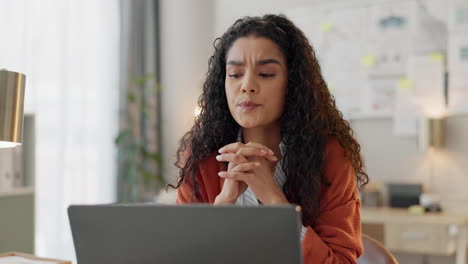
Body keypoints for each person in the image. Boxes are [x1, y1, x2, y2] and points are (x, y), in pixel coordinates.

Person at [170, 14, 369, 264]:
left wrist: (276, 202)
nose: (247, 86)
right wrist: (222, 207)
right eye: (234, 74)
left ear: (292, 83)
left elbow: (341, 261)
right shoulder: (201, 155)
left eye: (265, 74)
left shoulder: (329, 156)